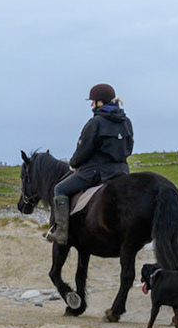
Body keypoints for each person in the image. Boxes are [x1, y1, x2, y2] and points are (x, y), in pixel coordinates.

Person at [47, 83, 133, 244]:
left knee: (60, 188)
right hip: (121, 171)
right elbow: (129, 148)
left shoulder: (95, 123)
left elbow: (83, 150)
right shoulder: (126, 122)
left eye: (93, 101)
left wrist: (74, 163)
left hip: (95, 172)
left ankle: (61, 232)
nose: (92, 105)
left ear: (100, 103)